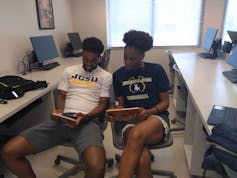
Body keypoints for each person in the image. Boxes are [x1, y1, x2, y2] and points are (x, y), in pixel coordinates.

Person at [0, 37, 112, 178]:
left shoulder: (105, 76)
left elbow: (102, 105)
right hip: (63, 120)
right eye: (86, 59)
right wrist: (60, 111)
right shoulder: (69, 71)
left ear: (99, 57)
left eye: (93, 60)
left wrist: (85, 117)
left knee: (97, 167)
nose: (89, 64)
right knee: (9, 152)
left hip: (87, 122)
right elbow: (61, 95)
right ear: (82, 54)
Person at [107, 30, 170, 178]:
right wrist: (115, 113)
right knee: (142, 160)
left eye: (133, 59)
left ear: (142, 56)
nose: (128, 62)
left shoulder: (156, 70)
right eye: (125, 58)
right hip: (130, 121)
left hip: (155, 118)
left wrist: (149, 112)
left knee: (136, 135)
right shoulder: (118, 75)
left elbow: (165, 102)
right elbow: (121, 105)